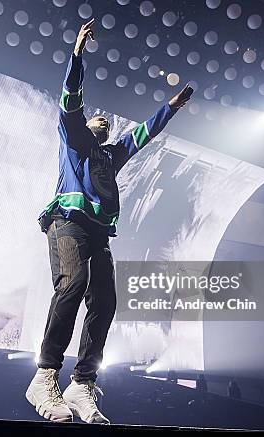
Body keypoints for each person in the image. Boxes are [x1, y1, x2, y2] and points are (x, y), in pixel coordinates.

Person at [25, 18, 193, 424]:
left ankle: (82, 384)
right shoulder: (73, 138)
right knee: (74, 284)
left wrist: (170, 108)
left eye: (108, 122)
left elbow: (144, 134)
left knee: (105, 301)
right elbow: (71, 98)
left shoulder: (111, 155)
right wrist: (77, 55)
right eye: (98, 119)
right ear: (87, 126)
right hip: (67, 222)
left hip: (99, 235)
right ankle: (45, 375)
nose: (106, 121)